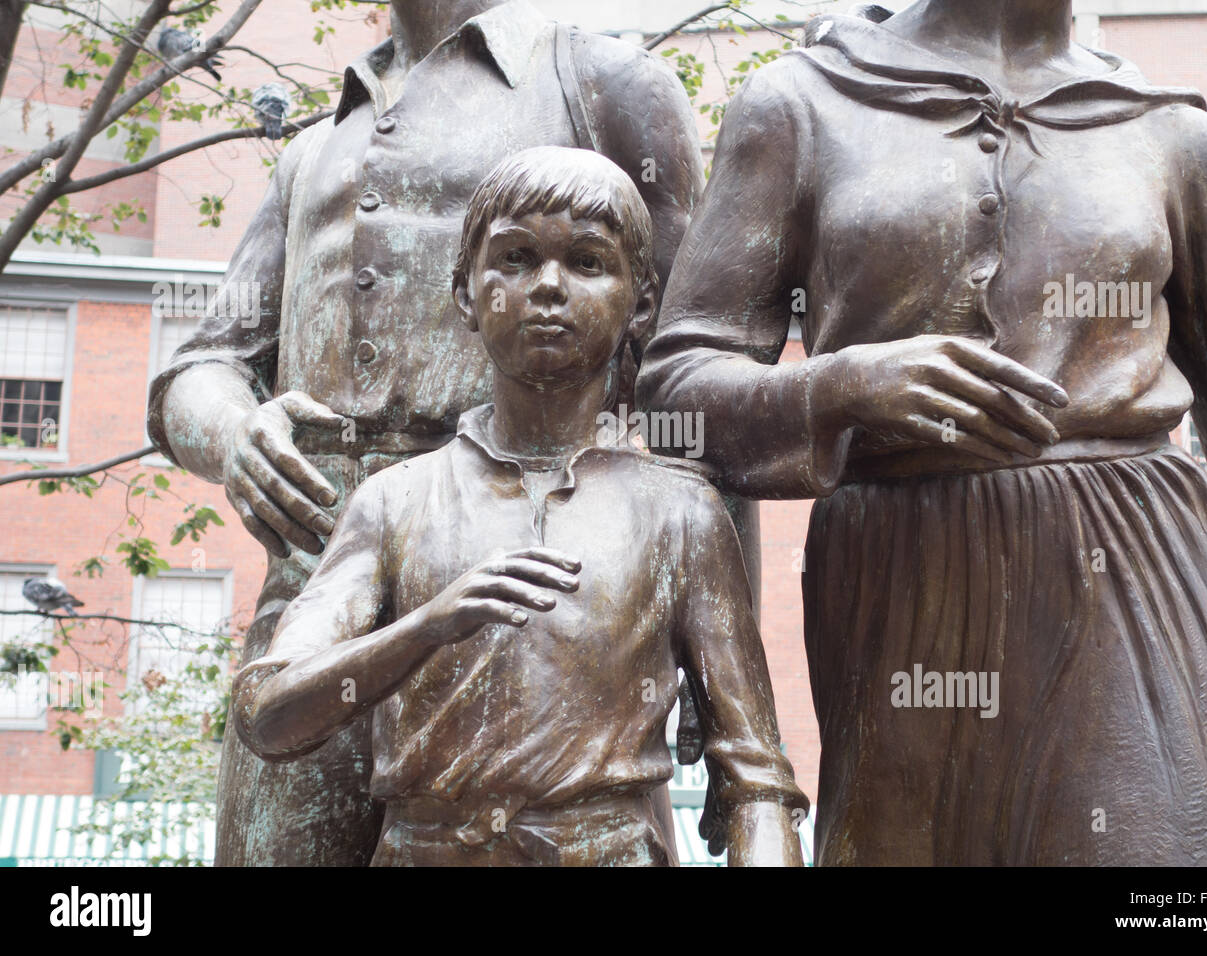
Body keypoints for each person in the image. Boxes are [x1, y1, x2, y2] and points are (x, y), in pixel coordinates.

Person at [638, 0, 1207, 865]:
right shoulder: (801, 105)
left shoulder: (1172, 134)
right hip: (905, 593)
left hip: (1141, 586)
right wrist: (841, 386)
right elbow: (677, 391)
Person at [146, 0, 705, 865]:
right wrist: (235, 435)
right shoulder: (311, 151)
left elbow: (688, 367)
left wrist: (700, 648)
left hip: (533, 591)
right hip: (315, 589)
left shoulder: (606, 82)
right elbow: (197, 366)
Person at [230, 147, 807, 866]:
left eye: (589, 263)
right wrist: (426, 628)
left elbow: (757, 782)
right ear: (467, 294)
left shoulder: (681, 514)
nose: (549, 287)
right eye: (517, 258)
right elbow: (267, 714)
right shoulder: (393, 503)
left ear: (642, 304)